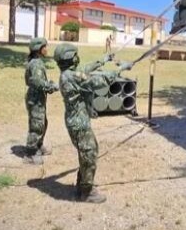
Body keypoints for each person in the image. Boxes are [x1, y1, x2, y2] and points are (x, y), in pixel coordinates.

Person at [53, 44, 132, 203]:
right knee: (89, 153)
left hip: (77, 121)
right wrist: (120, 69)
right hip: (78, 123)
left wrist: (103, 60)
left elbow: (86, 68)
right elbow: (98, 80)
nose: (77, 57)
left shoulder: (68, 74)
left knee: (88, 151)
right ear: (71, 58)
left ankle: (82, 185)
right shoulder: (71, 77)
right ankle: (86, 192)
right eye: (75, 55)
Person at [25, 38, 58, 164]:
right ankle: (30, 153)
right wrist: (51, 87)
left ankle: (39, 146)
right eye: (45, 47)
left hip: (37, 97)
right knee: (37, 125)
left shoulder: (36, 61)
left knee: (43, 122)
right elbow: (38, 82)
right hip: (35, 98)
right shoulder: (36, 64)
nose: (47, 49)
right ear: (39, 49)